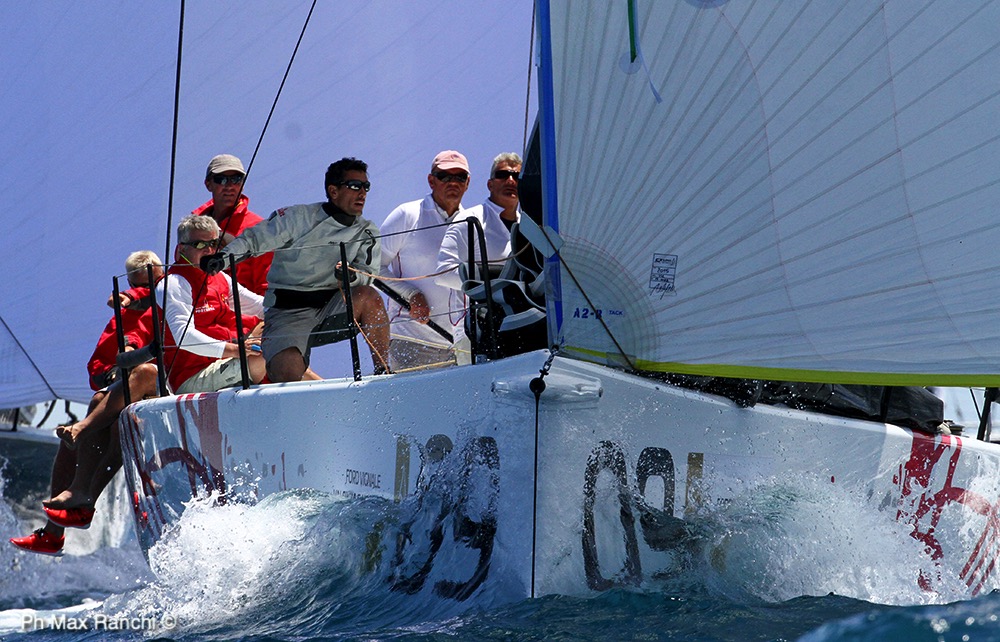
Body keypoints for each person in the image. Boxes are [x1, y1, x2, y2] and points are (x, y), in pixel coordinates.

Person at [10, 252, 164, 555]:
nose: (146, 291)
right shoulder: (128, 315)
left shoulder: (175, 293)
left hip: (163, 381)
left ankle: (83, 502)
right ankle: (56, 529)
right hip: (134, 387)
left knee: (117, 420)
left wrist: (130, 298)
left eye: (152, 283)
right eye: (139, 285)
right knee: (89, 420)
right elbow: (99, 366)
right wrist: (114, 370)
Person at [202, 157, 390, 382]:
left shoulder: (367, 232)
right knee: (286, 373)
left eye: (365, 186)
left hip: (332, 309)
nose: (362, 193)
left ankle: (383, 373)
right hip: (288, 313)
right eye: (354, 186)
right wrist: (222, 259)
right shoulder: (297, 218)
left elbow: (367, 274)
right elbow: (255, 239)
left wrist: (351, 276)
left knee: (368, 296)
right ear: (333, 191)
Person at [380, 150, 472, 370]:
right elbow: (371, 266)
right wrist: (411, 295)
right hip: (412, 341)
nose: (453, 182)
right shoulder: (407, 214)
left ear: (467, 183)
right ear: (431, 180)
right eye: (444, 176)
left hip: (461, 347)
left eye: (459, 177)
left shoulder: (471, 222)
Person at [159, 215, 267, 394]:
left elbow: (259, 305)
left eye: (214, 243)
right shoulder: (174, 283)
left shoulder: (219, 277)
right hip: (193, 376)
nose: (209, 250)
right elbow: (184, 337)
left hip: (225, 360)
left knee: (277, 323)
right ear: (182, 248)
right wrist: (236, 350)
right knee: (266, 353)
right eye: (200, 244)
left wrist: (297, 312)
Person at [436, 152, 523, 290]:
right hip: (485, 303)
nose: (511, 181)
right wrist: (497, 282)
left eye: (517, 176)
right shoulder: (470, 220)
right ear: (490, 185)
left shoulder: (530, 228)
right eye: (502, 175)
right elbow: (444, 274)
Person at [193, 154, 272, 295]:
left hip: (242, 307)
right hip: (198, 306)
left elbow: (267, 286)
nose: (229, 186)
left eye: (236, 179)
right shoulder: (192, 228)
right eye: (221, 179)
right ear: (208, 184)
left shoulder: (259, 228)